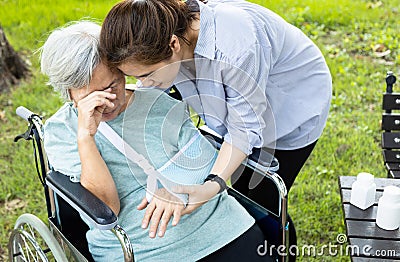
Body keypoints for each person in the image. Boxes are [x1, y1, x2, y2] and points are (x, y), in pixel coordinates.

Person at [40, 21, 274, 261]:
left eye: (113, 85)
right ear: (68, 91)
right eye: (93, 95)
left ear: (122, 70)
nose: (109, 101)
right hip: (145, 250)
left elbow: (203, 155)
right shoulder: (61, 131)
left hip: (222, 227)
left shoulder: (157, 102)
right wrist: (86, 138)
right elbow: (106, 209)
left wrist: (175, 190)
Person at [100, 0, 332, 211]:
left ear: (173, 44)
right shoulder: (166, 34)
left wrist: (211, 186)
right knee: (241, 184)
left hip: (294, 98)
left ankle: (276, 251)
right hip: (247, 92)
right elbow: (153, 86)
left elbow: (244, 128)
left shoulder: (235, 47)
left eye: (147, 75)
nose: (144, 84)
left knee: (262, 198)